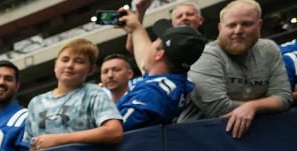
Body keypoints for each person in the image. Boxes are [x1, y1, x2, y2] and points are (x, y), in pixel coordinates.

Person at [178, 0, 292, 138]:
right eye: (231, 25)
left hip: (255, 137)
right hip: (201, 139)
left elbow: (284, 97)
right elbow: (218, 109)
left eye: (246, 24)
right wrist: (267, 103)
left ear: (259, 25)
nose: (238, 31)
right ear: (220, 28)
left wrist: (253, 107)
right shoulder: (205, 54)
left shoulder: (269, 49)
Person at [20, 38, 124, 151]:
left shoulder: (93, 93)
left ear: (91, 69)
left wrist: (59, 140)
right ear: (55, 65)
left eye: (79, 61)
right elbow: (32, 147)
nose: (69, 65)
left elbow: (114, 132)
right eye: (65, 60)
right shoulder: (36, 102)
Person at [117, 14, 205, 130]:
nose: (151, 45)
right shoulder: (174, 81)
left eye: (155, 41)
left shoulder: (152, 93)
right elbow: (146, 61)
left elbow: (113, 131)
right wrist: (136, 27)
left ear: (159, 55)